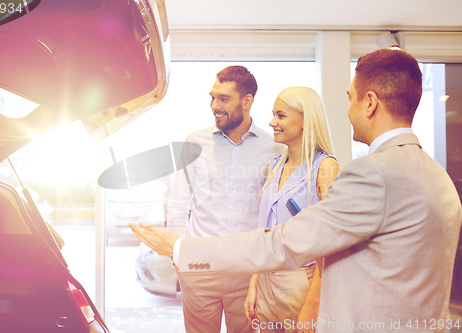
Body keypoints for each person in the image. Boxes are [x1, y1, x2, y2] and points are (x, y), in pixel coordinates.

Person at [131, 49, 462, 333]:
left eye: (351, 99)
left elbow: (287, 242)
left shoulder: (371, 173)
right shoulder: (436, 176)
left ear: (370, 103)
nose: (347, 112)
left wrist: (182, 249)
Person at [166, 65, 280, 333]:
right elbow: (178, 205)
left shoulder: (274, 148)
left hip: (247, 273)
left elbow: (273, 214)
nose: (214, 105)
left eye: (224, 98)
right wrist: (180, 259)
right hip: (199, 268)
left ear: (247, 100)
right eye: (213, 97)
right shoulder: (194, 142)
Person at [243, 86, 339, 333]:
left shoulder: (325, 168)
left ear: (306, 119)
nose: (272, 122)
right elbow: (263, 232)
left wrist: (313, 303)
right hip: (265, 279)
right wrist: (254, 283)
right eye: (273, 114)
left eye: (281, 115)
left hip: (301, 282)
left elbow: (330, 245)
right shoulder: (272, 168)